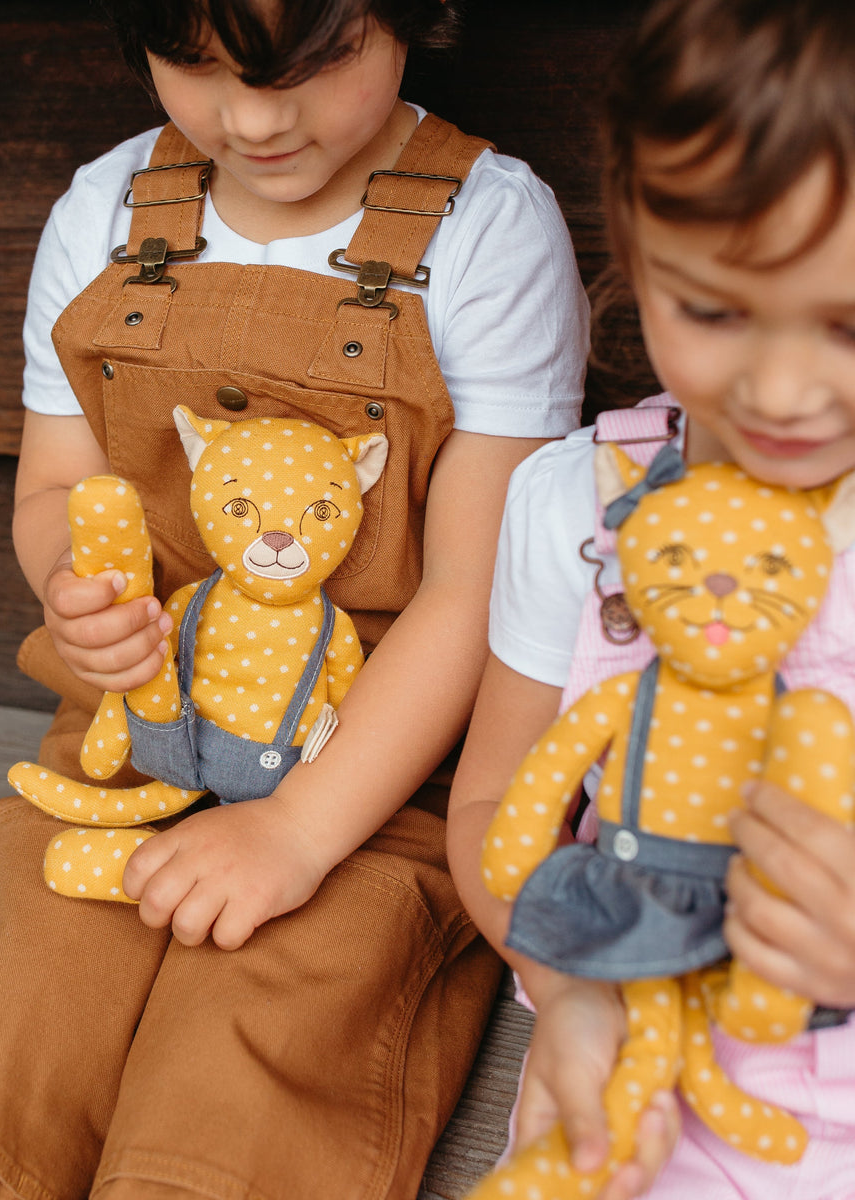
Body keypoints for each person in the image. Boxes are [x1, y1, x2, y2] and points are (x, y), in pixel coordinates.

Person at [0, 2, 587, 1197]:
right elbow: (59, 486)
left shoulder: (488, 227)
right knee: (24, 999)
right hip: (138, 726)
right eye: (198, 65)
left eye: (315, 64)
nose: (257, 118)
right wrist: (75, 590)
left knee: (260, 1030)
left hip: (385, 750)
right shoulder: (111, 211)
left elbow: (478, 592)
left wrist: (298, 830)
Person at [446, 1, 855, 1197]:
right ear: (631, 250)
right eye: (715, 309)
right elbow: (489, 809)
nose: (782, 389)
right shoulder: (580, 500)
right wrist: (571, 994)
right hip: (634, 1075)